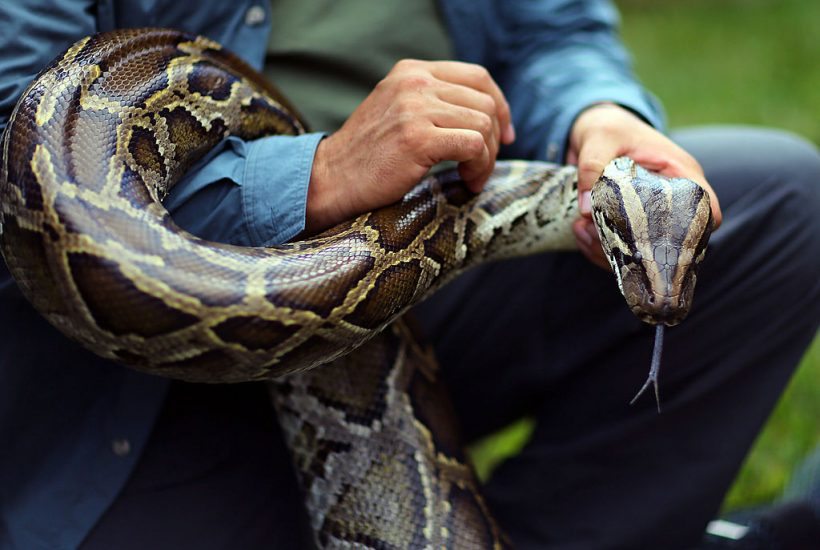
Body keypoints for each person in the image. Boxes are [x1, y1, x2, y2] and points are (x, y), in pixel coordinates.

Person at [0, 1, 817, 548]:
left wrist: (597, 113)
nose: (662, 300)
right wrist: (321, 173)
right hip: (123, 375)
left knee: (782, 200)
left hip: (410, 256)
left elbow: (555, 33)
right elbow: (17, 131)